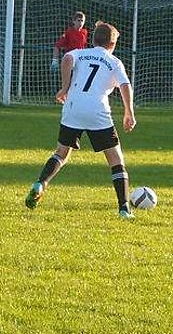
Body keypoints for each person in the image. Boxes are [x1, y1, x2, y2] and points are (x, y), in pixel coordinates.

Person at [26, 20, 138, 218]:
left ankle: (40, 183)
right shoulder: (114, 61)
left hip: (73, 108)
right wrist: (129, 112)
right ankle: (124, 208)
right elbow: (125, 85)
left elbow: (67, 58)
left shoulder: (80, 53)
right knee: (115, 159)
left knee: (61, 152)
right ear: (112, 45)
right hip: (97, 111)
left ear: (93, 40)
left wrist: (65, 87)